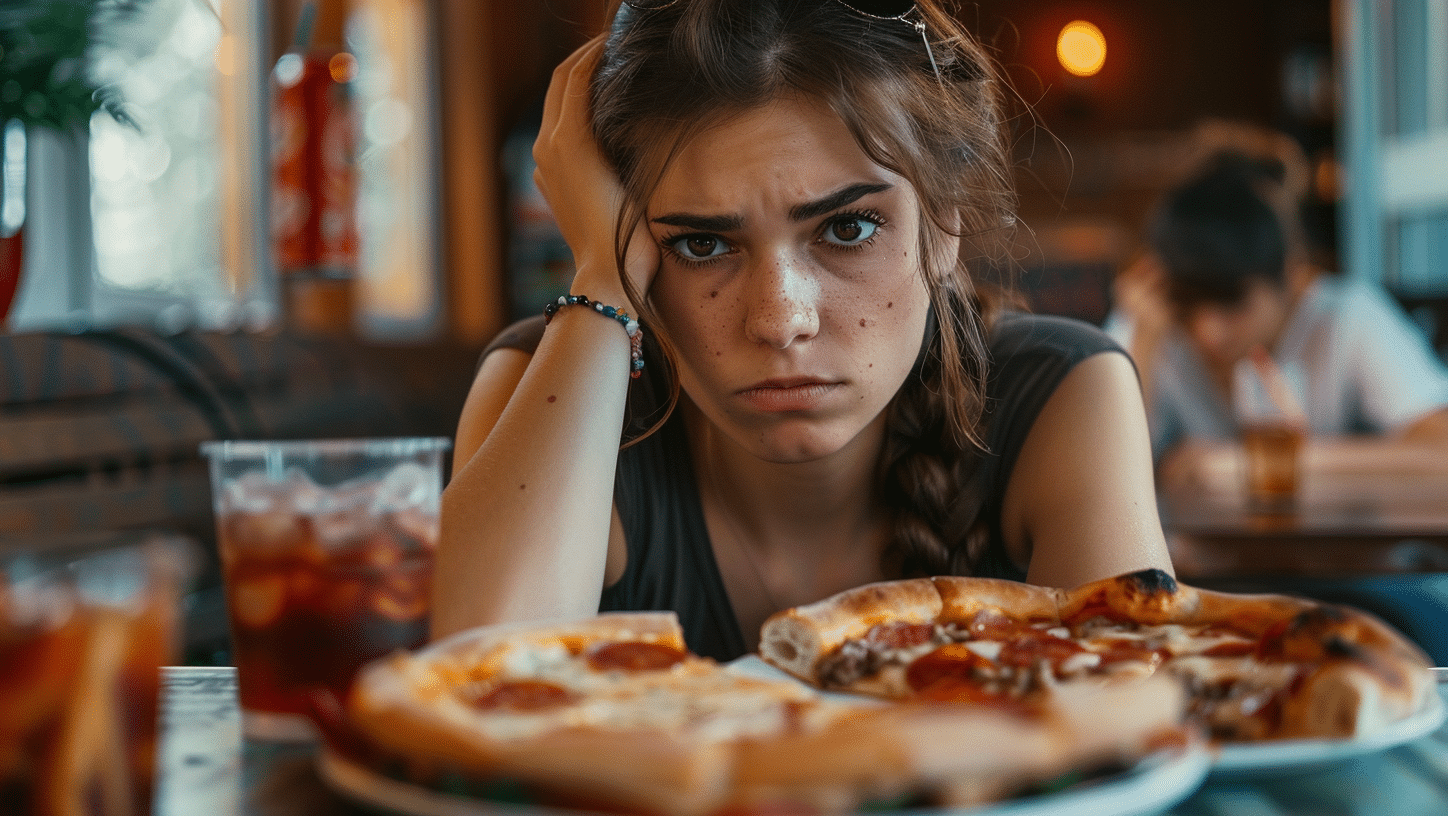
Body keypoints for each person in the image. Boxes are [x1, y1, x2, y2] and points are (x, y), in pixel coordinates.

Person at [434, 0, 1173, 660]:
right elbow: (472, 703)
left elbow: (1133, 726)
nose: (781, 320)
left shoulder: (1058, 398)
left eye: (847, 228)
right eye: (701, 244)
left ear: (945, 222)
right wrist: (600, 279)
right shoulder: (549, 390)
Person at [1107, 147, 1448, 492]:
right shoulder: (1150, 321)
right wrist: (1142, 346)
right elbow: (1098, 474)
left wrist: (1229, 464)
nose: (1210, 332)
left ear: (1291, 273)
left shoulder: (1347, 315)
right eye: (1189, 306)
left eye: (1234, 303)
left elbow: (1442, 449)